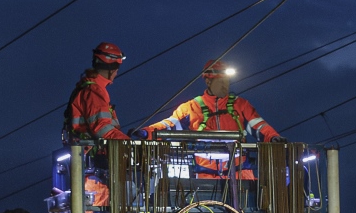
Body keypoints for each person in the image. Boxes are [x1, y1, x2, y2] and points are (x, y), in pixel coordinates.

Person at [145, 60, 284, 178]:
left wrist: (273, 137)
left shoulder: (240, 105)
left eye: (227, 81)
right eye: (221, 82)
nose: (226, 86)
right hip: (206, 175)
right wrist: (147, 132)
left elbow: (259, 126)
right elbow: (169, 125)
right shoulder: (191, 107)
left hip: (240, 174)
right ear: (207, 81)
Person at [66, 42, 131, 144]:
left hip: (88, 153)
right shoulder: (94, 91)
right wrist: (128, 143)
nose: (117, 73)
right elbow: (102, 129)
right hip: (95, 154)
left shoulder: (87, 87)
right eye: (117, 69)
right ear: (112, 69)